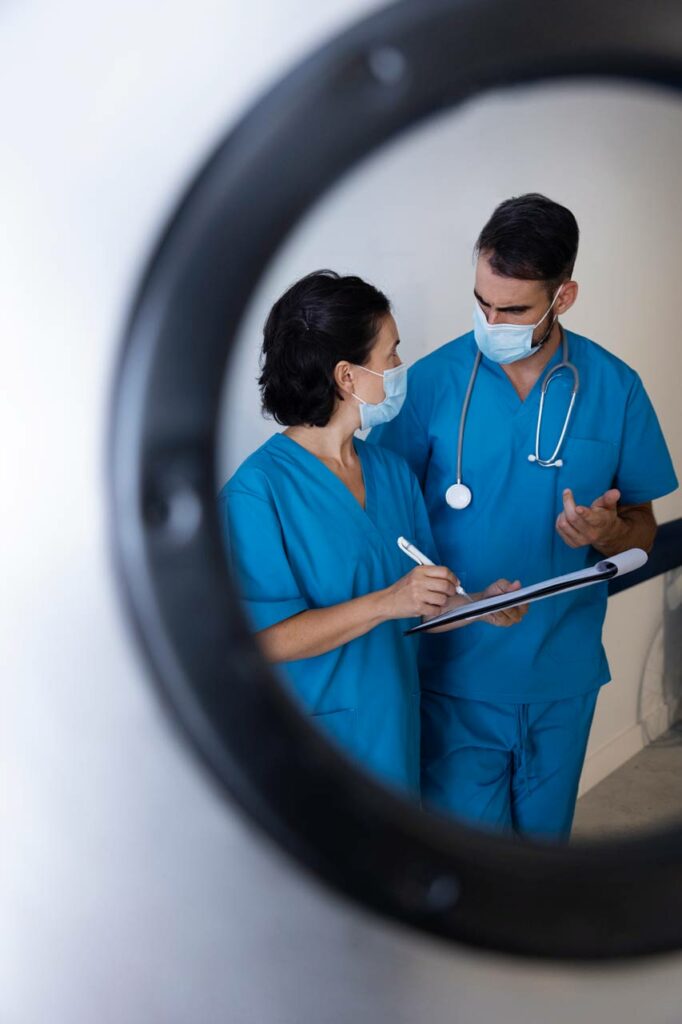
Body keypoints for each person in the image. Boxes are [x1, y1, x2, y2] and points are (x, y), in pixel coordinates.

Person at [369, 194, 678, 837]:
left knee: (543, 858)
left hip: (561, 674)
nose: (491, 321)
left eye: (513, 310)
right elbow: (382, 522)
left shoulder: (614, 387)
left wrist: (609, 532)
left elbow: (644, 531)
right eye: (482, 302)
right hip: (454, 674)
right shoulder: (429, 384)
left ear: (564, 296)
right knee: (470, 863)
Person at [220, 270, 526, 797]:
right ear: (348, 376)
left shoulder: (390, 472)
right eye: (392, 353)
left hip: (393, 729)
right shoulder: (256, 492)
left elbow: (418, 605)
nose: (400, 365)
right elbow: (264, 639)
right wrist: (386, 602)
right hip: (315, 745)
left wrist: (475, 605)